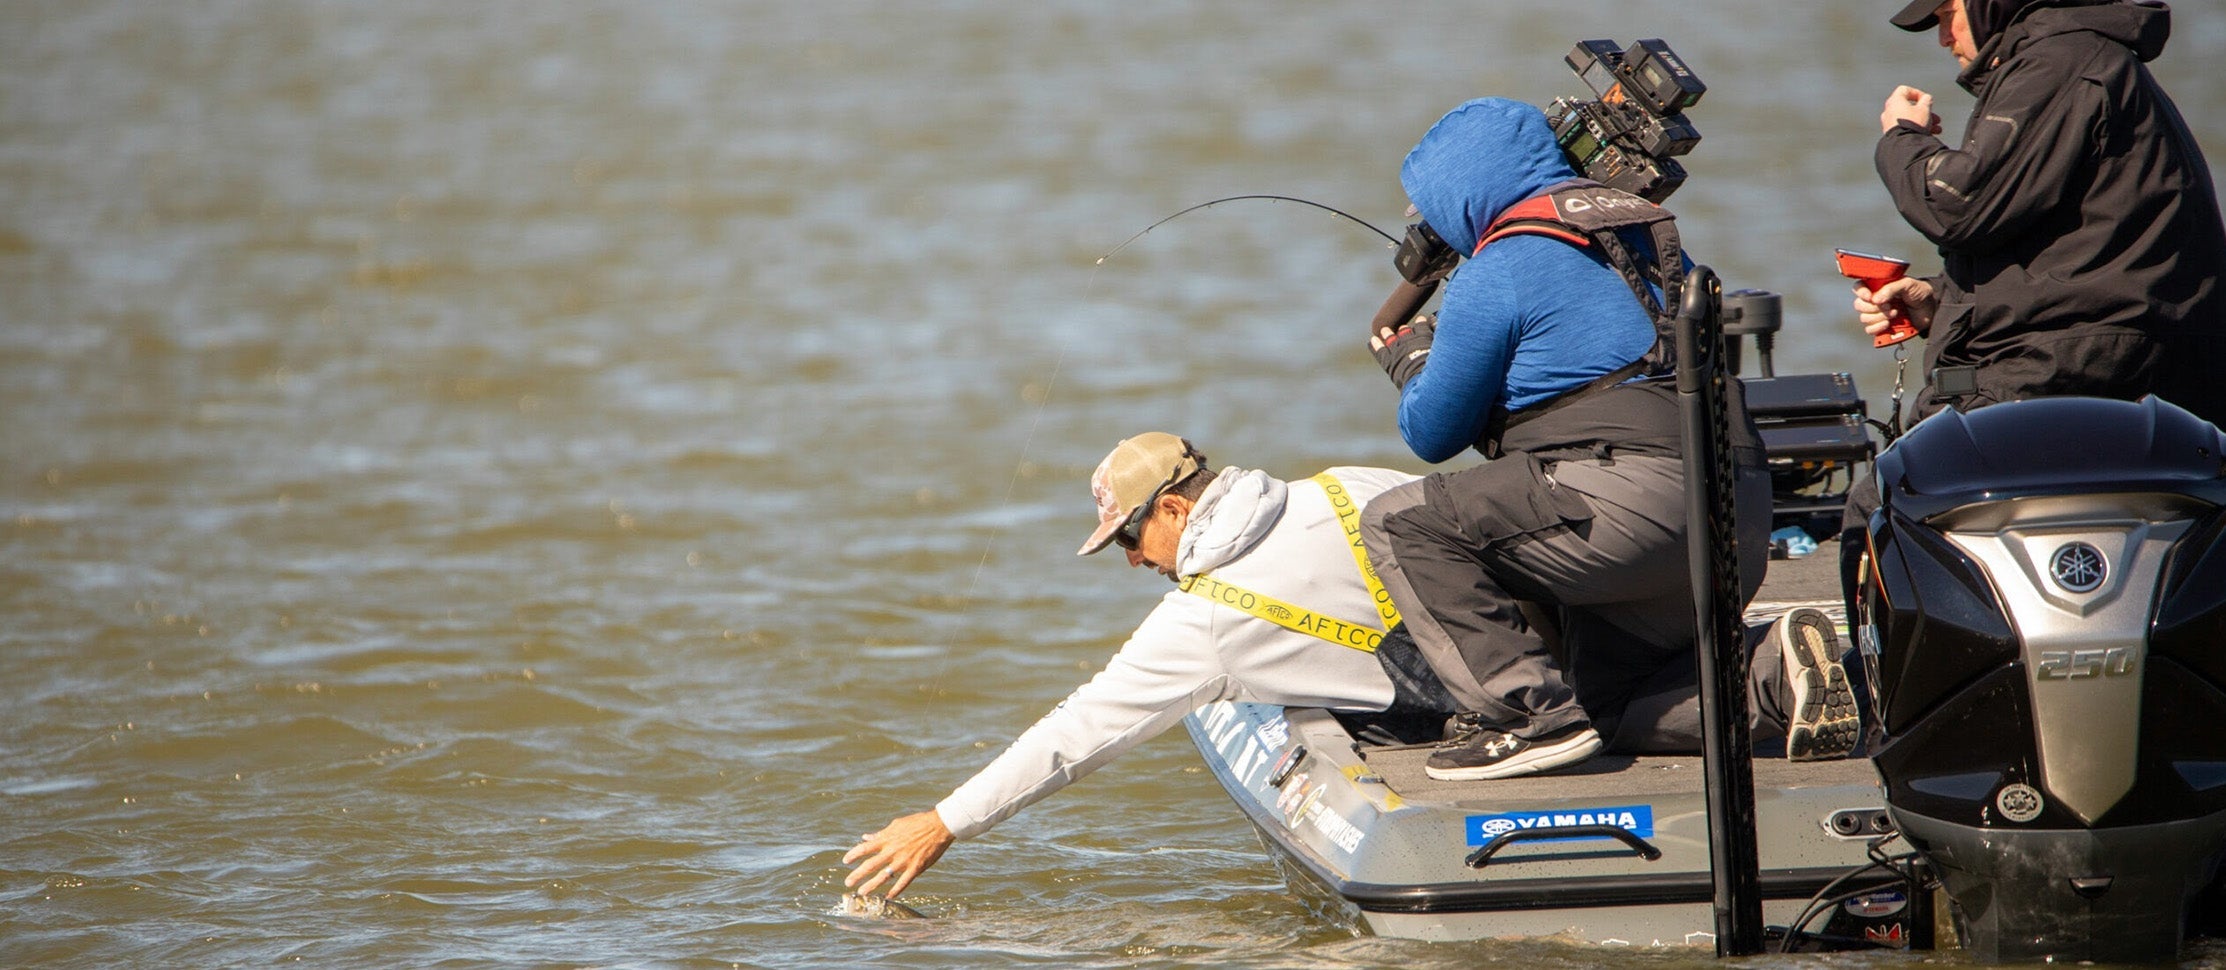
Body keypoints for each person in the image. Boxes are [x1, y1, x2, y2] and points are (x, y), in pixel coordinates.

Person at [1357, 97, 1858, 782]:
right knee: (1604, 706)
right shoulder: (1648, 239)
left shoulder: (1498, 267)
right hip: (1734, 520)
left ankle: (1523, 717)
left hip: (1633, 518)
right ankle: (1773, 677)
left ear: (1461, 192)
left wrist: (1413, 361)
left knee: (1402, 521)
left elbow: (1431, 433)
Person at [841, 433, 1430, 898]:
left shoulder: (1204, 620)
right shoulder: (1348, 485)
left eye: (1129, 537)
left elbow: (1078, 731)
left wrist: (943, 823)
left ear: (1173, 508)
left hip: (1443, 721)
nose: (1132, 560)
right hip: (1511, 681)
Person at [1843, 0, 2226, 605]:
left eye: (1947, 14)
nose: (1943, 37)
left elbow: (1954, 204)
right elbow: (2083, 252)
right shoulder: (2076, 59)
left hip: (2072, 369)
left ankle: (1864, 692)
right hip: (2110, 357)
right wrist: (1938, 303)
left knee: (1886, 508)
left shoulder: (2060, 63)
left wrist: (1901, 139)